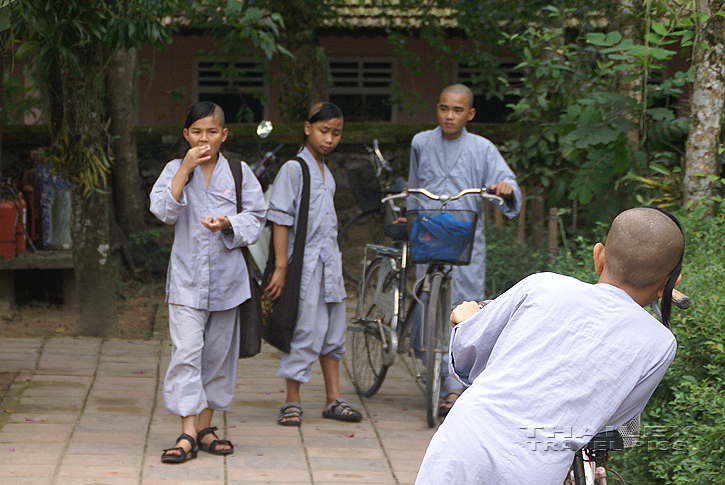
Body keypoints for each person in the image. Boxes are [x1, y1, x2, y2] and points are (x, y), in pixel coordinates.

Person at [415, 207, 685, 484]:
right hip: (536, 466)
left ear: (599, 256)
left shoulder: (543, 285)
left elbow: (467, 362)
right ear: (670, 283)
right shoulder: (661, 343)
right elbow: (613, 423)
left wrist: (467, 322)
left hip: (464, 439)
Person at [150, 101, 266, 464]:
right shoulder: (174, 168)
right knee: (186, 353)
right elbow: (162, 211)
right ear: (186, 135)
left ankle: (206, 427)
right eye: (197, 131)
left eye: (212, 131)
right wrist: (184, 169)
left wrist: (229, 223)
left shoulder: (238, 171)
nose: (204, 138)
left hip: (229, 283)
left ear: (223, 134)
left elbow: (258, 214)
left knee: (217, 358)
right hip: (186, 281)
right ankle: (186, 433)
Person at [407, 83, 522, 415]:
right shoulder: (420, 143)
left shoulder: (483, 148)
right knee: (426, 300)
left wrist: (505, 188)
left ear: (470, 114)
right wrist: (408, 216)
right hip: (427, 232)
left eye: (457, 110)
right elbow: (413, 188)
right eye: (444, 108)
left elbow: (508, 182)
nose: (449, 116)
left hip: (465, 236)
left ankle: (455, 386)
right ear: (437, 109)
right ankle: (435, 379)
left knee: (464, 309)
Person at [265, 102, 362, 426]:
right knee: (303, 330)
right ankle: (291, 401)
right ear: (307, 128)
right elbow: (279, 219)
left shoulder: (326, 172)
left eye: (336, 133)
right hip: (302, 268)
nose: (329, 139)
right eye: (323, 131)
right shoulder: (295, 168)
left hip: (328, 266)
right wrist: (281, 268)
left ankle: (333, 398)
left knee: (334, 331)